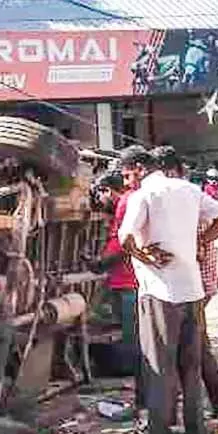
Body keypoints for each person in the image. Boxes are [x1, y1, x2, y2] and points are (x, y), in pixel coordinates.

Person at [119, 149, 218, 434]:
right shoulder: (188, 189)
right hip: (191, 291)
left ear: (139, 169)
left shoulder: (142, 196)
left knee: (159, 368)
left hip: (160, 292)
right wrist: (200, 240)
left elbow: (124, 238)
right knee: (191, 369)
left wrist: (145, 257)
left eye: (127, 174)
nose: (127, 181)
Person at [160, 154, 218, 421]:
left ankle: (215, 407)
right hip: (192, 287)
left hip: (192, 288)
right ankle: (216, 406)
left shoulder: (189, 199)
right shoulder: (188, 199)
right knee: (194, 349)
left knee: (194, 350)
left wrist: (198, 242)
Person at [88, 155, 144, 417]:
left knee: (137, 346)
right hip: (128, 283)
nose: (100, 202)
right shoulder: (127, 204)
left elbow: (123, 245)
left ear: (107, 190)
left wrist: (98, 264)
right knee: (138, 344)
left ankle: (144, 402)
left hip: (129, 284)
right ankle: (147, 399)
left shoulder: (125, 203)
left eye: (99, 195)